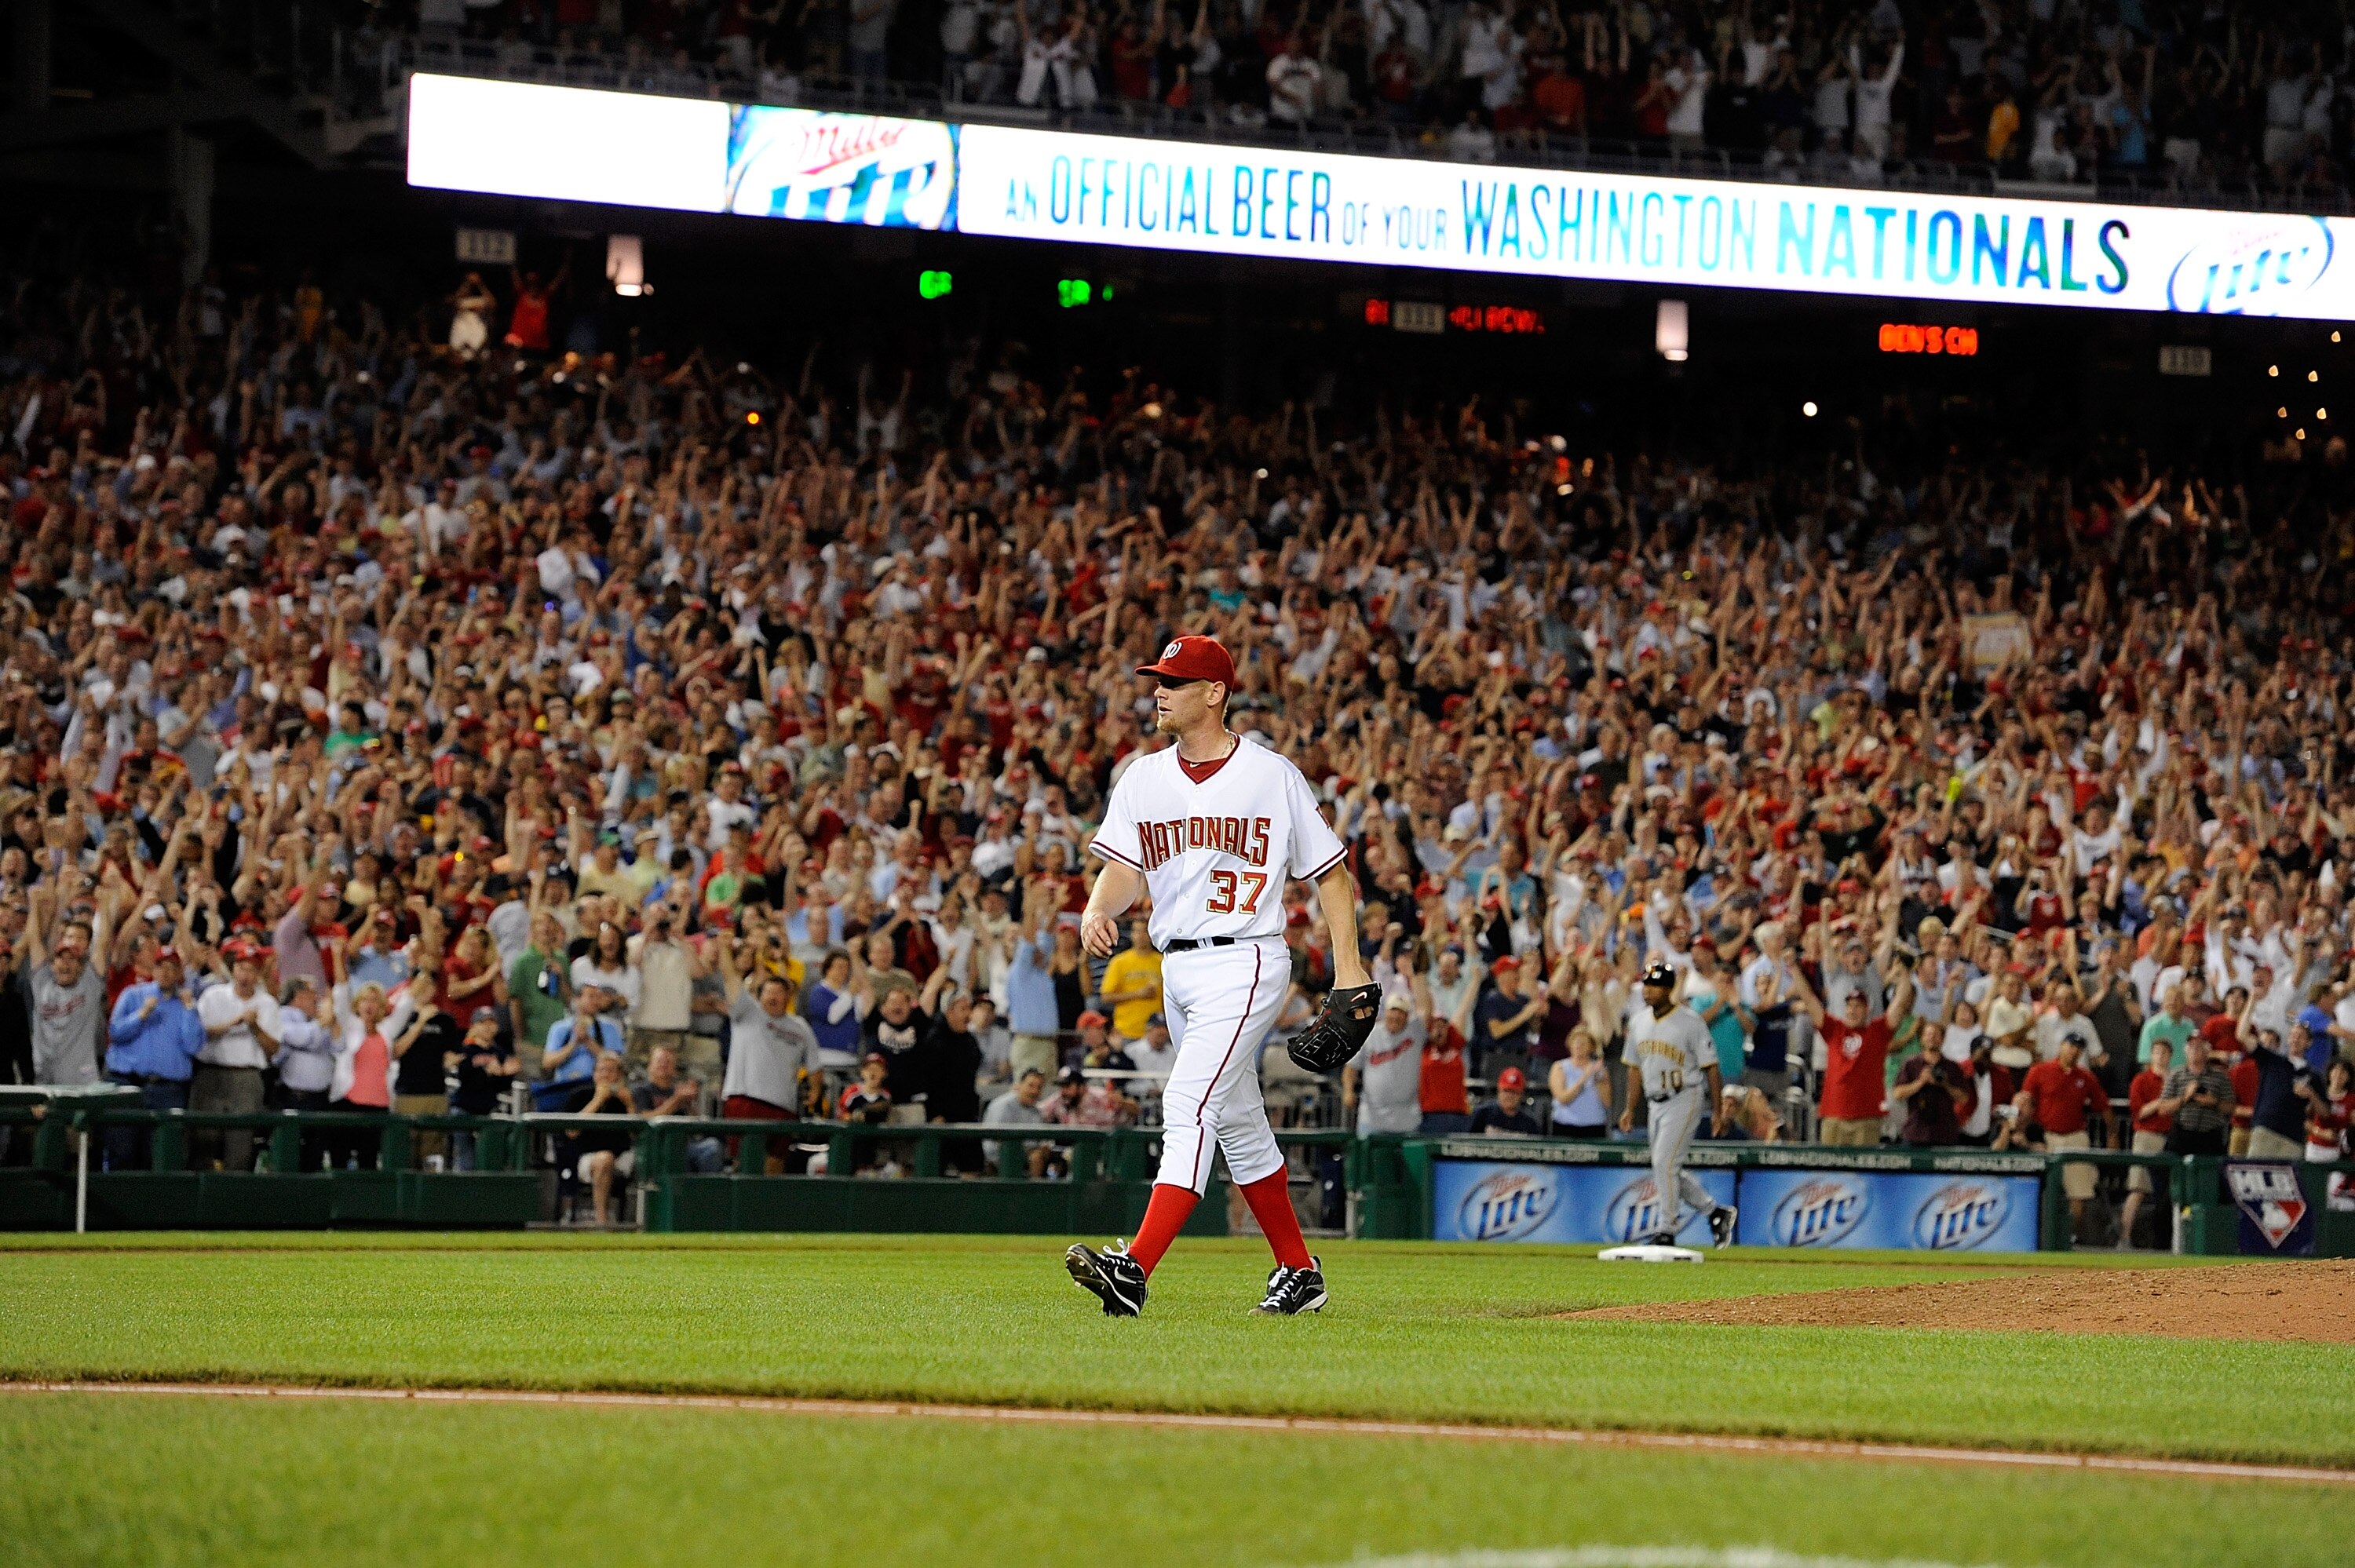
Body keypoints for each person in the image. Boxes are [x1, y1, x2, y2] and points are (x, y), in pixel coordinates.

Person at [1064, 634, 1367, 1318]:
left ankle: (1134, 1269)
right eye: (1157, 679)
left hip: (1247, 957)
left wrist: (1348, 968)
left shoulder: (1271, 773)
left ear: (1215, 693)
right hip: (1177, 967)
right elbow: (1125, 869)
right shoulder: (1142, 777)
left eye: (1173, 681)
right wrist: (1095, 906)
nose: (1158, 691)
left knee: (1188, 1103)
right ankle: (1299, 1271)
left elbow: (1331, 874)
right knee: (1236, 1121)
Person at [1618, 958, 1734, 1247]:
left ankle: (1667, 1229)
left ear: (1668, 988)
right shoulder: (1638, 1021)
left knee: (1664, 1162)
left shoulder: (1690, 1021)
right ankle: (1715, 1211)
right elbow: (1634, 1068)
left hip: (1686, 1095)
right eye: (1646, 984)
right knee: (1666, 1167)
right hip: (1654, 1101)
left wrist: (1718, 1112)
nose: (1648, 990)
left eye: (1655, 985)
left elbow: (1712, 1067)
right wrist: (1630, 1108)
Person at [717, 929, 823, 1171]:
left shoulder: (800, 1027)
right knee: (744, 1164)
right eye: (769, 992)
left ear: (788, 997)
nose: (774, 997)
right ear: (759, 995)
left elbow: (815, 1064)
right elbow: (731, 979)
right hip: (745, 1100)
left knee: (775, 1167)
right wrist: (724, 949)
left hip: (783, 1107)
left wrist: (816, 1090)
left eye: (780, 992)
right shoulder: (747, 1013)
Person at [101, 944, 203, 1171]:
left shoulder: (187, 1004)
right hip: (126, 1086)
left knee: (158, 1157)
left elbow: (193, 1045)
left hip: (167, 1090)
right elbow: (115, 1033)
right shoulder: (133, 995)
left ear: (179, 973)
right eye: (160, 966)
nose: (165, 972)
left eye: (171, 967)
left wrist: (189, 1010)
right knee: (122, 1154)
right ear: (153, 969)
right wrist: (141, 1015)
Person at [1795, 963, 1912, 1147]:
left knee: (1864, 1172)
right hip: (1834, 1115)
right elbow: (1809, 1000)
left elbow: (1900, 1003)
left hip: (1866, 1117)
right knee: (1830, 1171)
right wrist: (1794, 968)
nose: (1852, 1010)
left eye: (1858, 1006)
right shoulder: (1833, 1029)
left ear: (1867, 1010)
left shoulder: (1878, 1031)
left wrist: (1905, 975)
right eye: (1849, 1006)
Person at [192, 943, 282, 1171]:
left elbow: (274, 1049)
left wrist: (255, 1027)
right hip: (210, 1073)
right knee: (203, 1140)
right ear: (233, 969)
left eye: (251, 970)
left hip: (247, 1077)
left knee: (240, 1144)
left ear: (259, 974)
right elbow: (198, 1034)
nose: (245, 975)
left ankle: (233, 1198)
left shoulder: (267, 1003)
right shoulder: (214, 995)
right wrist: (233, 1023)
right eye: (241, 968)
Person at [2017, 1033, 2108, 1242]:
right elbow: (2024, 1102)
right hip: (2046, 1137)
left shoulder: (2085, 1077)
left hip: (2075, 1136)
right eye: (2071, 1045)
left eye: (2078, 1048)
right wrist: (2020, 1131)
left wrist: (2112, 1133)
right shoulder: (2040, 1071)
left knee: (2079, 1193)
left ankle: (2068, 1237)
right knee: (2041, 1189)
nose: (2074, 1050)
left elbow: (2103, 1106)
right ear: (2061, 1046)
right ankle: (2038, 1237)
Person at [1344, 979, 1427, 1139]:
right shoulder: (1370, 1033)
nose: (1396, 1015)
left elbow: (1426, 1008)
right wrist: (1348, 1091)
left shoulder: (1415, 1032)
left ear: (1407, 1016)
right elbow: (1351, 1067)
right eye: (1393, 1010)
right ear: (1385, 1012)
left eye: (1401, 1012)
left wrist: (1417, 974)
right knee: (1368, 1163)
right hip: (1371, 1119)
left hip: (1407, 1119)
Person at [562, 1052, 637, 1226]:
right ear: (594, 1073)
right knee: (604, 1159)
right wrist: (598, 1100)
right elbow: (571, 1131)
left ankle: (648, 1221)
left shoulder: (626, 1098)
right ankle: (602, 1221)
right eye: (601, 1070)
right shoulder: (579, 1095)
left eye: (611, 1070)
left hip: (623, 1156)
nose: (605, 1075)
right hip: (585, 1158)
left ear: (620, 1075)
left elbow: (636, 1134)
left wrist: (630, 1105)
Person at [2119, 1037, 2174, 1249]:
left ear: (2170, 1056)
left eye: (2165, 1053)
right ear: (2151, 1056)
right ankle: (2124, 1238)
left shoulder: (2175, 1078)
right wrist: (2162, 1101)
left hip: (2169, 1138)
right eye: (2157, 1052)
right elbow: (2139, 1112)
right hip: (2147, 1136)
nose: (2160, 1057)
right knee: (2138, 1189)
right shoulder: (2142, 1080)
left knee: (2168, 1194)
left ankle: (2169, 1241)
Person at [2153, 1033, 2236, 1160]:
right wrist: (2185, 1097)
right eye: (2191, 1047)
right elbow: (2163, 1109)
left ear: (2207, 1051)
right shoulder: (2176, 1075)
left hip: (2210, 1137)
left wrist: (2214, 1103)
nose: (2195, 1051)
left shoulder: (2220, 1076)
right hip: (2182, 1133)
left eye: (2199, 1047)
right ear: (2186, 1051)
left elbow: (2230, 1107)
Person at [983, 1066, 1050, 1176]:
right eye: (1031, 1085)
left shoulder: (1035, 1110)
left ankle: (1033, 1191)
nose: (1035, 1091)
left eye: (1039, 1087)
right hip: (998, 1155)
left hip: (1023, 1154)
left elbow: (1041, 1138)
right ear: (1020, 1085)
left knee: (1038, 1155)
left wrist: (1044, 1146)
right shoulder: (1003, 1105)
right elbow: (997, 1138)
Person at [1546, 1028, 1612, 1138]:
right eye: (1576, 1041)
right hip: (1565, 1126)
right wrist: (1584, 1078)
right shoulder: (1559, 1067)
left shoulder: (1599, 1069)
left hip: (1594, 1127)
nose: (1579, 1046)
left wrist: (1598, 1078)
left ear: (1591, 1047)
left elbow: (1607, 1102)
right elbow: (1563, 1098)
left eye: (1584, 1043)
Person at [1469, 1065, 1541, 1136]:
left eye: (1514, 1092)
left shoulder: (1529, 1124)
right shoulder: (1483, 1114)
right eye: (1506, 1090)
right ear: (1499, 1090)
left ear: (1521, 1094)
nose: (1509, 1096)